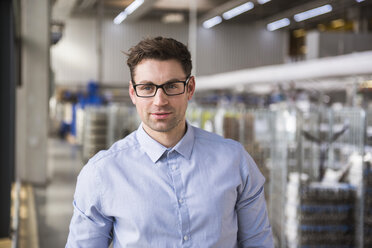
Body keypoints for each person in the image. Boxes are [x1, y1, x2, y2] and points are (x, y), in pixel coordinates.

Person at [66, 36, 274, 248]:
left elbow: (259, 242)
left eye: (172, 86)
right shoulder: (102, 174)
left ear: (190, 88)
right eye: (147, 87)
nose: (160, 101)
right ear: (133, 93)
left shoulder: (235, 161)